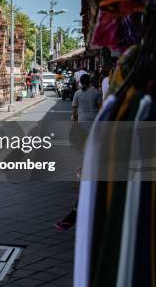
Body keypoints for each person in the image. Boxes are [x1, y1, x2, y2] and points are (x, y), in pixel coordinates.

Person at [56, 73, 101, 230]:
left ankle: (83, 165)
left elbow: (74, 109)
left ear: (80, 82)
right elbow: (100, 106)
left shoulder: (77, 93)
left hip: (81, 122)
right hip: (93, 122)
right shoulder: (96, 92)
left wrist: (74, 120)